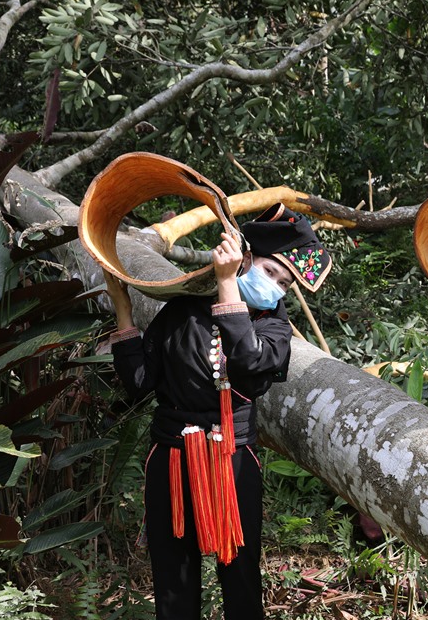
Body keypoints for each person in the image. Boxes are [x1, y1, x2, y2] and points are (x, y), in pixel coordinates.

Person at [102, 203, 331, 620]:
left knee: (241, 577)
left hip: (233, 462)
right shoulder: (181, 311)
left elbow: (249, 363)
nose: (275, 287)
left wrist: (228, 287)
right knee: (174, 578)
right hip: (171, 459)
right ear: (244, 258)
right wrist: (122, 308)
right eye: (269, 271)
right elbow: (138, 383)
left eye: (284, 283)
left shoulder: (274, 327)